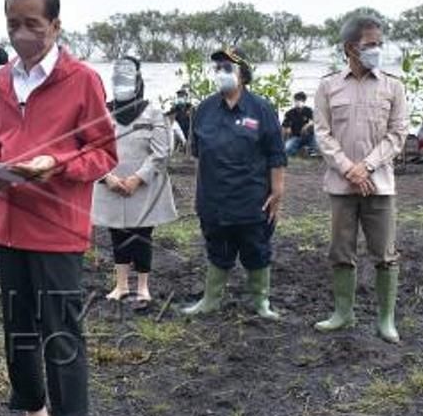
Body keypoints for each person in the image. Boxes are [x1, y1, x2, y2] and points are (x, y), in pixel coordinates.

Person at [0, 0, 117, 416]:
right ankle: (34, 412)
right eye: (13, 25)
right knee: (17, 326)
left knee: (61, 329)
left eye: (32, 25)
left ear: (55, 26)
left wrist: (52, 163)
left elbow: (102, 153)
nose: (21, 35)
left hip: (56, 225)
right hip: (8, 223)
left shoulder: (82, 80)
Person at [313, 14, 409, 343]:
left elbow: (398, 134)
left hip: (379, 185)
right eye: (371, 45)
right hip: (341, 186)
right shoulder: (328, 86)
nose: (377, 50)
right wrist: (347, 168)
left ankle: (386, 320)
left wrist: (365, 167)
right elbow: (323, 134)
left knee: (384, 252)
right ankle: (343, 313)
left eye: (380, 44)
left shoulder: (393, 85)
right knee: (341, 250)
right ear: (350, 48)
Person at [182, 47, 287, 320]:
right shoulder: (203, 110)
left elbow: (276, 154)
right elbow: (198, 156)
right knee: (217, 249)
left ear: (243, 73)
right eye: (217, 68)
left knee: (257, 248)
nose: (221, 73)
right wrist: (200, 196)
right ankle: (210, 300)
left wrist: (277, 191)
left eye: (227, 68)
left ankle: (261, 302)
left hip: (252, 198)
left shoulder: (262, 109)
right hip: (213, 199)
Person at [92, 56, 177, 309]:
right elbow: (91, 149)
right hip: (111, 184)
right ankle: (121, 285)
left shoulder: (153, 113)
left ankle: (142, 287)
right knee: (117, 233)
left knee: (141, 235)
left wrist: (137, 178)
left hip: (144, 186)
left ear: (139, 82)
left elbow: (161, 152)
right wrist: (107, 178)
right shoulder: (102, 113)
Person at [282, 91, 318, 157]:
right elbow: (285, 126)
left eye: (300, 100)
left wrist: (307, 125)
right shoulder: (290, 113)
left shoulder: (308, 110)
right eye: (296, 100)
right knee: (287, 149)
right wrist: (287, 129)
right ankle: (299, 151)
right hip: (296, 137)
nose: (298, 102)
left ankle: (311, 150)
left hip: (309, 136)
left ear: (304, 101)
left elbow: (316, 121)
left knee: (316, 144)